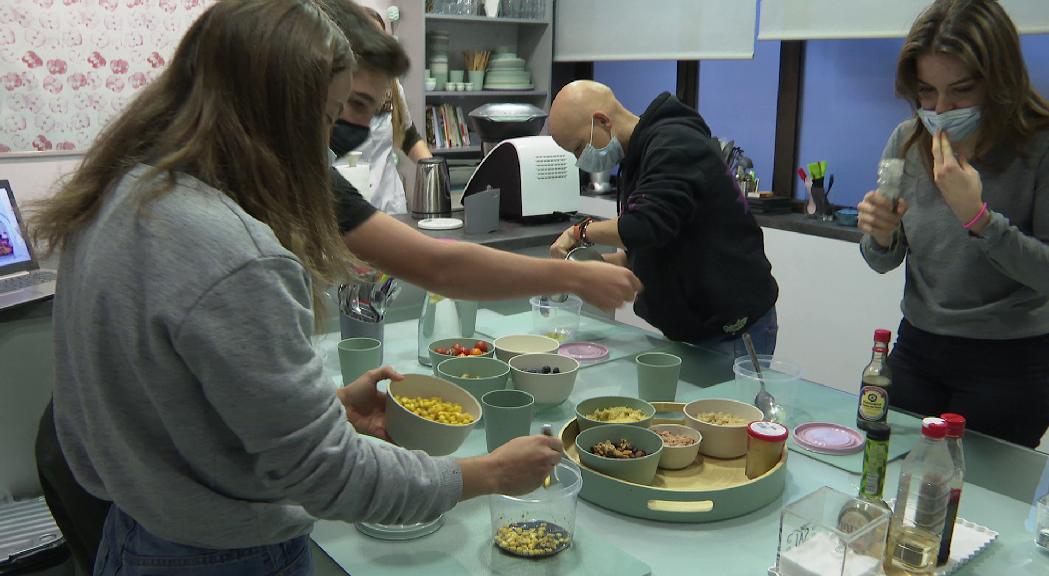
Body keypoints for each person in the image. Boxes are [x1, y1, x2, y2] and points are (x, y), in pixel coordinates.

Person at [29, 2, 568, 574]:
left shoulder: (123, 192)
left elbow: (173, 411)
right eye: (334, 114)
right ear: (281, 114)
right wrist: (489, 473)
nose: (331, 149)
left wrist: (319, 412)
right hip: (221, 556)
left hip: (138, 532)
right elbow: (327, 477)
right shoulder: (235, 255)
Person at [321, 1, 641, 309]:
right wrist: (574, 277)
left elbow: (441, 264)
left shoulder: (318, 177)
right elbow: (440, 267)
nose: (360, 125)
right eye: (352, 104)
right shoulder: (307, 179)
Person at [857, 0, 1049, 447]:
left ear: (999, 83)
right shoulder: (907, 141)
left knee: (979, 505)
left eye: (960, 91)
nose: (940, 109)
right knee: (889, 474)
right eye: (926, 91)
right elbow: (881, 260)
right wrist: (881, 235)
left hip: (1011, 361)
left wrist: (978, 218)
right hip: (919, 347)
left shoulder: (1039, 146)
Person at [546, 80, 780, 357]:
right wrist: (579, 268)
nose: (579, 160)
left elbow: (645, 225)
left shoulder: (675, 144)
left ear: (602, 121)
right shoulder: (640, 158)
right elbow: (649, 246)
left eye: (578, 148)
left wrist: (579, 233)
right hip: (692, 326)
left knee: (722, 402)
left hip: (731, 330)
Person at [337, 7, 432, 214]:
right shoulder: (334, 89)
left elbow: (407, 136)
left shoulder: (392, 87)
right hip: (345, 201)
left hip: (388, 201)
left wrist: (433, 172)